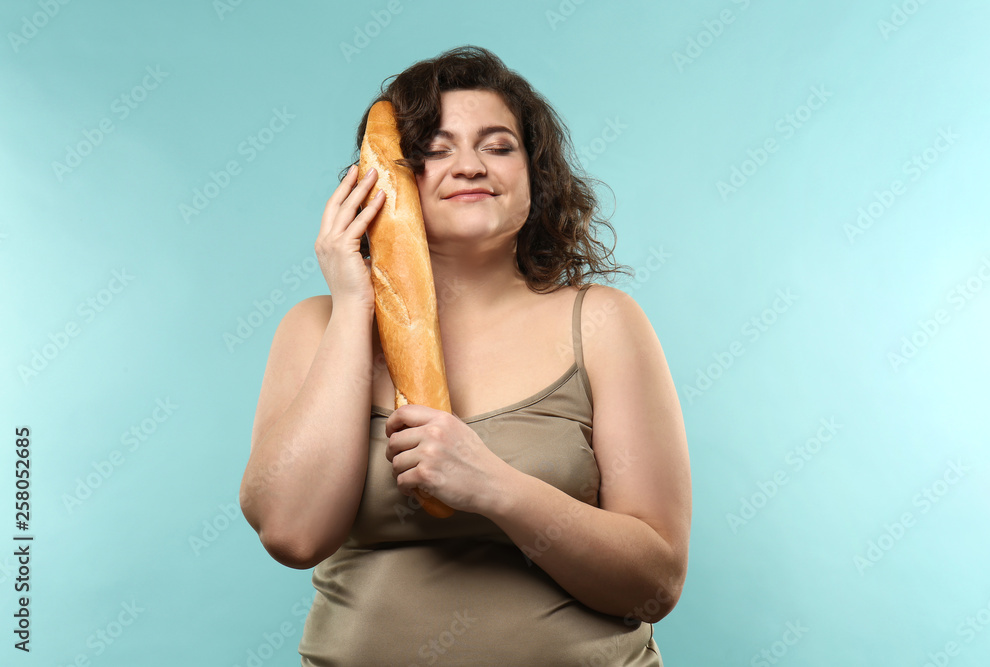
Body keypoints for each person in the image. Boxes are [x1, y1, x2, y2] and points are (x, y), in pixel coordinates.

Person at [239, 45, 691, 666]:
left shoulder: (604, 322)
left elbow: (656, 581)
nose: (470, 165)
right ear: (385, 178)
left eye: (498, 145)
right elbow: (292, 533)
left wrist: (495, 487)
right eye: (435, 147)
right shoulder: (316, 326)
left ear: (536, 175)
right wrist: (352, 304)